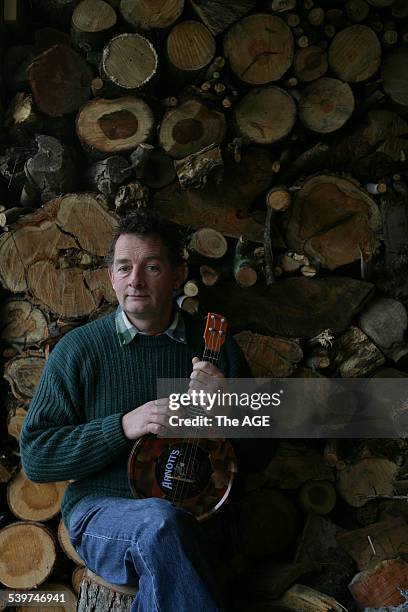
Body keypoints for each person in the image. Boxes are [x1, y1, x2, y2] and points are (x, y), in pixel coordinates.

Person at [20, 210, 252, 612]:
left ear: (179, 275)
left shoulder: (215, 346)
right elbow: (36, 457)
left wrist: (228, 405)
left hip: (197, 517)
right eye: (124, 267)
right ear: (111, 276)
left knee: (170, 540)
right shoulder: (80, 350)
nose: (136, 281)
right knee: (160, 525)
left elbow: (263, 455)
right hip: (103, 514)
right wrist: (123, 426)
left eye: (152, 267)